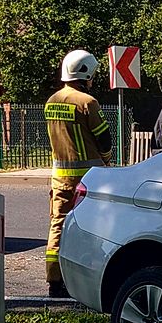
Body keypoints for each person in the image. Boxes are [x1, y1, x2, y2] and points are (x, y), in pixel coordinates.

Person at [43, 49, 113, 298]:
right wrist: (107, 161)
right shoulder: (87, 102)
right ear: (84, 74)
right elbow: (104, 140)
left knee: (58, 226)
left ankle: (54, 280)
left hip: (60, 178)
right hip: (89, 179)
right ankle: (90, 279)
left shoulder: (51, 102)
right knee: (95, 228)